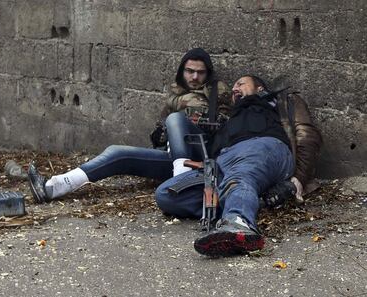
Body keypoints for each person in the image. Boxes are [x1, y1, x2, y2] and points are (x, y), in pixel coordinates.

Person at [28, 48, 231, 203]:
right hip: (173, 159)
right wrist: (162, 132)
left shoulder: (217, 90)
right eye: (189, 71)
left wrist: (195, 119)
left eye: (200, 73)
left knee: (175, 120)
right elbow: (158, 135)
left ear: (208, 74)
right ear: (181, 71)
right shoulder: (174, 95)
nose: (194, 77)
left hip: (200, 160)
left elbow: (227, 127)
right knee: (117, 153)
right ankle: (55, 186)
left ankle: (182, 182)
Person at [154, 75, 322, 257]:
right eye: (234, 86)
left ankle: (238, 222)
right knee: (167, 194)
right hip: (223, 161)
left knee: (238, 177)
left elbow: (307, 136)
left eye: (241, 84)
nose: (235, 88)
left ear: (260, 89)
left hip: (263, 148)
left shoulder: (281, 102)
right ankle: (248, 201)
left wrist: (298, 180)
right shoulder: (228, 117)